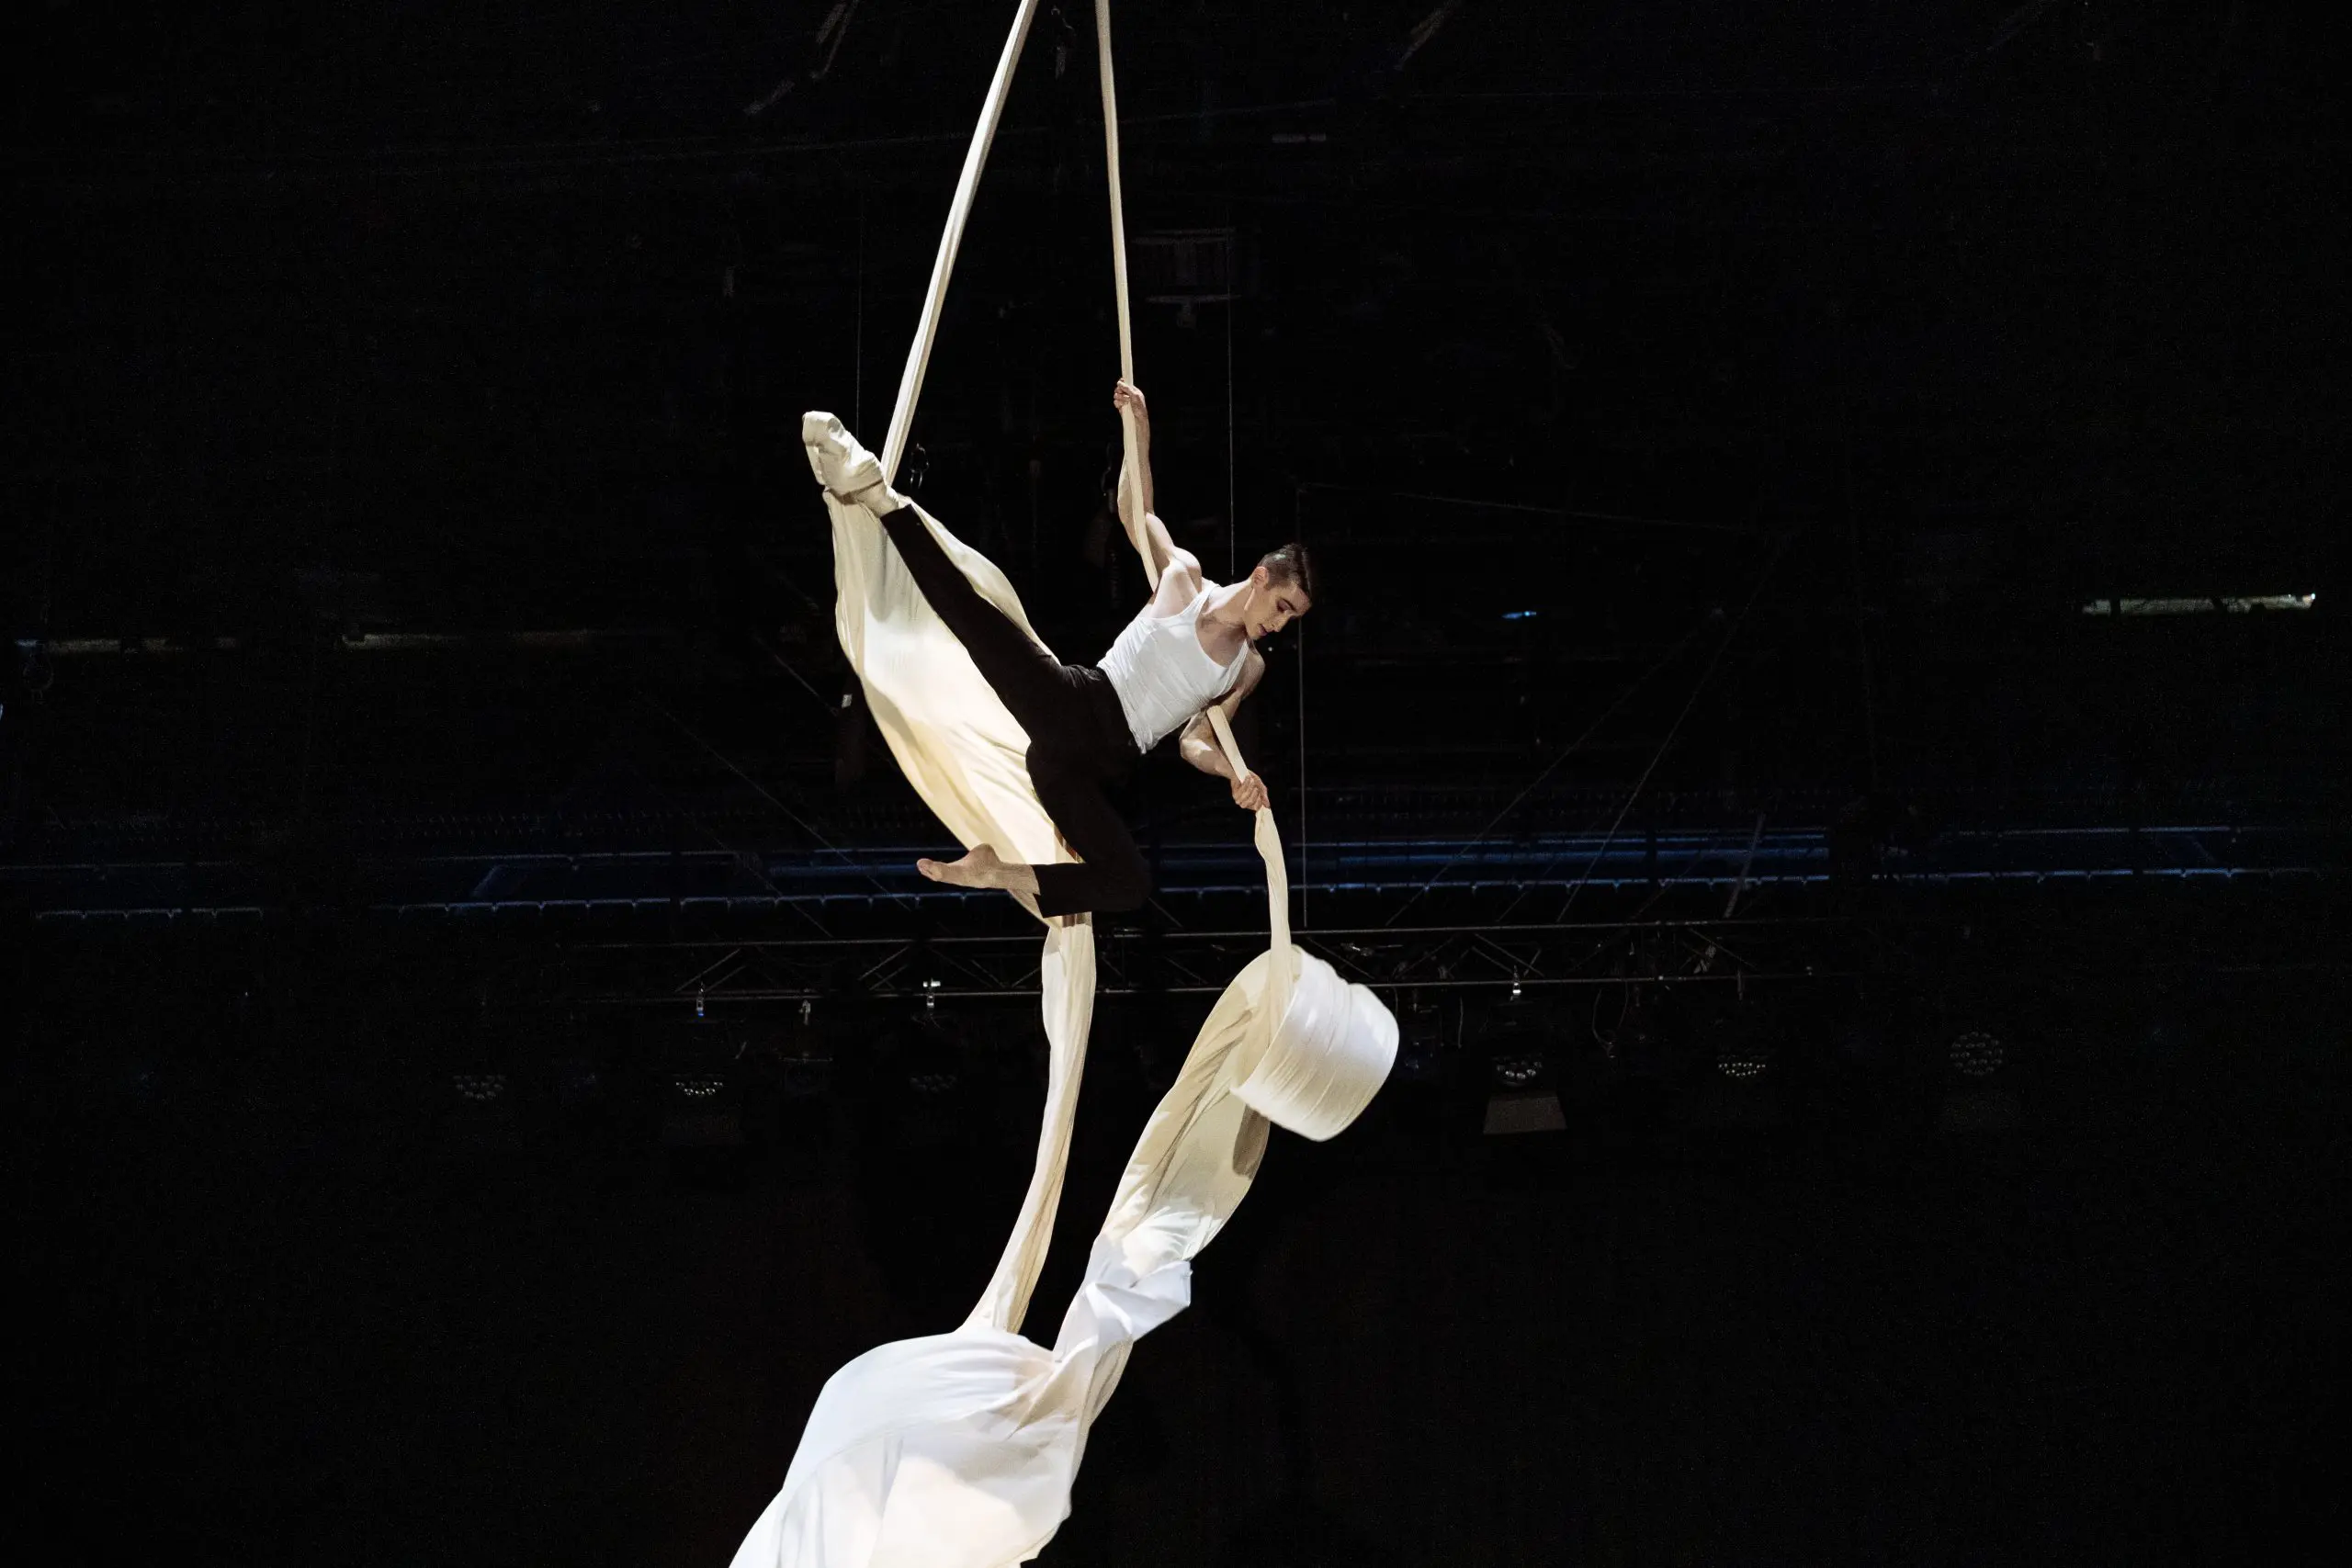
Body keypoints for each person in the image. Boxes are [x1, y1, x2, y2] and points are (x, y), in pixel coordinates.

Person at [803, 380, 1312, 916]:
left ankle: (994, 871)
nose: (1281, 625)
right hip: (1077, 707)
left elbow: (1195, 743)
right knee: (974, 617)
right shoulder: (1183, 578)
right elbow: (1134, 511)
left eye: (1292, 618)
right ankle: (880, 498)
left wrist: (1235, 774)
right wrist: (1137, 432)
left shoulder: (1245, 668)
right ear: (1260, 578)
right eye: (1283, 607)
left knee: (1129, 884)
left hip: (1087, 769)